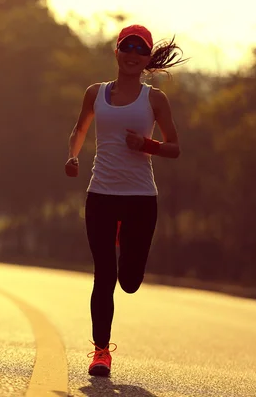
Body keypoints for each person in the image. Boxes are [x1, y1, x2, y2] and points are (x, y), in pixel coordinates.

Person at [64, 24, 187, 377]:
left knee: (129, 281)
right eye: (127, 47)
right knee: (103, 274)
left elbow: (175, 147)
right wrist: (72, 157)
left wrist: (146, 145)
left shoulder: (155, 99)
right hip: (100, 194)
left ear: (147, 58)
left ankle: (125, 242)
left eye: (140, 49)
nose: (133, 54)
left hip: (140, 199)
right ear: (116, 52)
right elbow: (80, 129)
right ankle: (101, 351)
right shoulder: (95, 93)